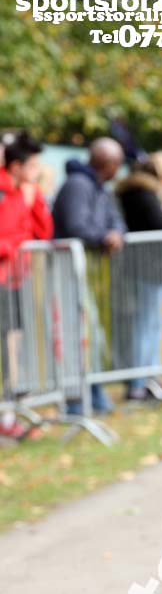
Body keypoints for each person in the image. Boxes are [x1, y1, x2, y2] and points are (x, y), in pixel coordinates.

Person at [52, 137, 126, 414]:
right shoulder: (77, 186)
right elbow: (76, 225)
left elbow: (116, 220)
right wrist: (103, 237)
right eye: (117, 164)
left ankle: (93, 393)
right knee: (75, 335)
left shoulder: (98, 187)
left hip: (84, 273)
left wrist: (116, 233)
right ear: (108, 164)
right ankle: (76, 401)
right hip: (64, 272)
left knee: (91, 334)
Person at [116, 154, 162, 401]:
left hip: (145, 268)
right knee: (146, 326)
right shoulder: (143, 195)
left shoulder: (134, 193)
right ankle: (140, 383)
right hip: (147, 269)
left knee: (150, 325)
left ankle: (147, 379)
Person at [0, 131, 53, 439]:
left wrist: (35, 201)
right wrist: (16, 244)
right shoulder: (5, 192)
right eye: (33, 165)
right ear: (17, 165)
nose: (37, 172)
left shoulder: (26, 191)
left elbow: (43, 232)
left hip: (16, 282)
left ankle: (9, 415)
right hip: (4, 281)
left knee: (13, 352)